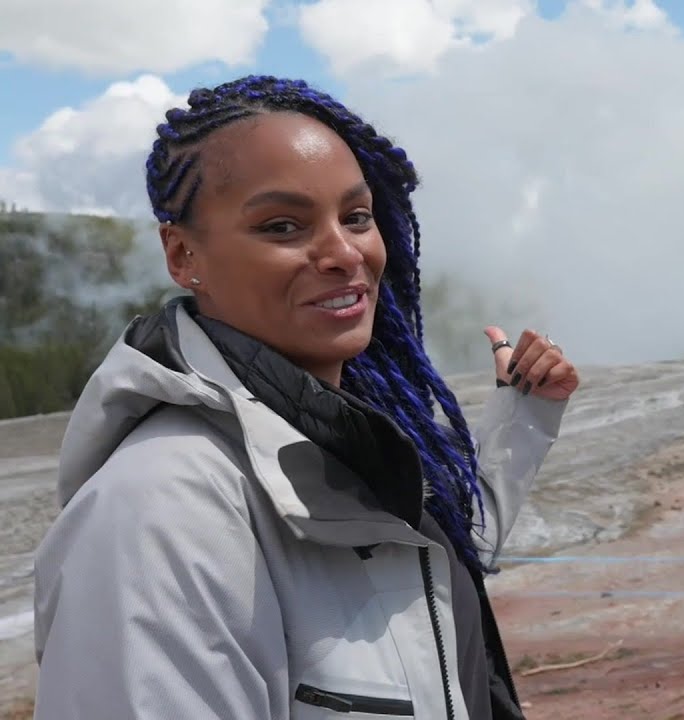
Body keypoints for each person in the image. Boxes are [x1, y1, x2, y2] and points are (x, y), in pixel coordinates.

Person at [30, 75, 579, 720]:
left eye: (356, 217)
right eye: (284, 225)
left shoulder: (341, 433)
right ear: (182, 254)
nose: (344, 253)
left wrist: (524, 412)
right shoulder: (156, 515)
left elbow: (437, 551)